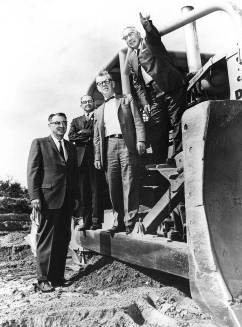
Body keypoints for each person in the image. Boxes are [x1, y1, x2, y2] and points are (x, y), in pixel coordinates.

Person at [122, 13, 186, 164]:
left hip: (171, 86)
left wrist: (147, 25)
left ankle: (177, 157)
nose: (129, 39)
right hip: (153, 94)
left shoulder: (150, 42)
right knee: (156, 125)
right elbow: (137, 83)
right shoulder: (130, 58)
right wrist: (145, 103)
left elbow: (153, 34)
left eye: (131, 34)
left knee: (176, 120)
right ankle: (159, 159)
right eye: (125, 38)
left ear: (138, 33)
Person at [27, 113, 79, 292]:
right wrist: (34, 196)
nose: (61, 126)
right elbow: (33, 171)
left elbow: (73, 175)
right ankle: (43, 279)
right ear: (49, 125)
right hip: (48, 199)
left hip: (67, 200)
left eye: (64, 123)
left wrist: (75, 199)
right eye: (57, 123)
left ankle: (57, 277)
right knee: (46, 239)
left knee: (63, 239)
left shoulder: (70, 147)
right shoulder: (40, 143)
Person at [94, 70, 146, 234]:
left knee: (129, 182)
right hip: (108, 147)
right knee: (113, 185)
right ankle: (118, 222)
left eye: (107, 81)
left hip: (126, 143)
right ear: (98, 87)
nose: (105, 85)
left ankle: (130, 222)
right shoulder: (98, 111)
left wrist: (141, 140)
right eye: (101, 83)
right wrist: (97, 156)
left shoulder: (126, 99)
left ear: (113, 83)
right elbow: (97, 137)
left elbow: (138, 121)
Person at [68, 95, 104, 230]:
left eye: (89, 101)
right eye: (84, 102)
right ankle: (86, 221)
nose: (87, 103)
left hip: (96, 155)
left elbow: (100, 132)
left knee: (96, 190)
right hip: (81, 159)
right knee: (84, 191)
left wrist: (84, 132)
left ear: (93, 103)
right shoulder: (76, 120)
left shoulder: (100, 116)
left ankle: (96, 221)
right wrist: (88, 134)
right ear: (81, 105)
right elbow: (71, 136)